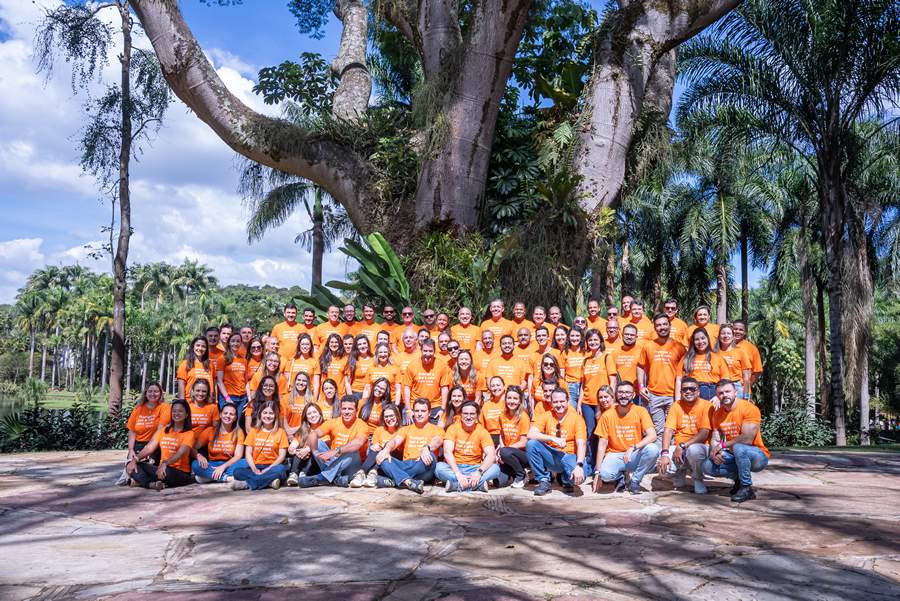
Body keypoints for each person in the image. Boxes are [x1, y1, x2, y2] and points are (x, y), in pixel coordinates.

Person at [704, 379, 770, 503]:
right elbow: (715, 437)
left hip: (757, 456)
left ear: (735, 392)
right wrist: (715, 452)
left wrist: (722, 445)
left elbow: (747, 438)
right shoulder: (717, 414)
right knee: (707, 466)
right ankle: (738, 479)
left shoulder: (749, 408)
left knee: (739, 447)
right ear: (717, 396)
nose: (724, 395)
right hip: (734, 455)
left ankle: (746, 487)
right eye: (721, 393)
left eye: (727, 391)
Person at [593, 381, 659, 494]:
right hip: (615, 455)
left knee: (653, 449)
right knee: (605, 475)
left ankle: (635, 480)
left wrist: (633, 447)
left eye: (627, 392)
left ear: (633, 395)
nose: (624, 395)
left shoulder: (640, 411)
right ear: (616, 395)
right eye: (621, 392)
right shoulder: (607, 415)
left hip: (633, 454)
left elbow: (652, 435)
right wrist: (597, 472)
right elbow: (602, 445)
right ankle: (621, 475)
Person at [526, 387, 587, 496]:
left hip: (570, 456)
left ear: (567, 401)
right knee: (531, 444)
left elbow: (581, 443)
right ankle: (544, 481)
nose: (559, 405)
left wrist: (580, 465)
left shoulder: (577, 418)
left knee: (580, 477)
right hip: (553, 456)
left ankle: (567, 479)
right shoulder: (546, 416)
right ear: (551, 402)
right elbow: (530, 434)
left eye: (562, 401)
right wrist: (552, 438)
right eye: (555, 402)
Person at [378, 398, 445, 493]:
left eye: (423, 411)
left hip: (423, 465)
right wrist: (386, 449)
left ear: (429, 413)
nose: (420, 414)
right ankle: (408, 481)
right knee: (382, 457)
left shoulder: (437, 429)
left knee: (431, 457)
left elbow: (437, 440)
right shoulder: (406, 429)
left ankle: (394, 478)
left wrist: (427, 448)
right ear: (413, 412)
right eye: (417, 411)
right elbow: (395, 441)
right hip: (406, 464)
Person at [300, 395, 370, 488]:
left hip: (351, 465)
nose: (346, 412)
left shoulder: (362, 425)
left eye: (350, 409)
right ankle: (336, 479)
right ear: (340, 409)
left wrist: (337, 450)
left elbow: (358, 443)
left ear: (356, 410)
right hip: (333, 462)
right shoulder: (334, 422)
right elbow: (313, 434)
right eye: (344, 409)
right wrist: (315, 452)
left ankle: (322, 478)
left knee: (351, 451)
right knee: (319, 443)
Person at [657, 377, 712, 494]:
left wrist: (683, 446)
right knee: (662, 467)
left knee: (694, 451)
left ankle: (698, 479)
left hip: (700, 447)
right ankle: (680, 472)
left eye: (692, 389)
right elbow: (668, 430)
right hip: (679, 448)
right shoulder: (676, 405)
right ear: (680, 392)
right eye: (684, 389)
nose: (688, 392)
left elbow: (704, 433)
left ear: (698, 391)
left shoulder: (707, 406)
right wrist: (665, 453)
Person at [126, 399, 195, 491]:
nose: (176, 413)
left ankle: (141, 482)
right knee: (131, 465)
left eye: (180, 411)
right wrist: (135, 459)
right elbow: (150, 448)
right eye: (174, 411)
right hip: (161, 469)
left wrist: (165, 463)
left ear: (186, 414)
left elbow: (180, 453)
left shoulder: (189, 433)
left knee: (166, 472)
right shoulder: (163, 430)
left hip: (179, 472)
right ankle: (151, 484)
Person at [637, 313, 687, 437]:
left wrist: (681, 395)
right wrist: (641, 386)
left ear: (670, 326)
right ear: (654, 328)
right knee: (658, 431)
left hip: (674, 396)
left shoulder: (679, 347)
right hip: (654, 396)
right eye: (658, 325)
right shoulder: (648, 346)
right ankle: (659, 455)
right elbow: (640, 366)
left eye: (665, 324)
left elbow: (685, 372)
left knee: (673, 430)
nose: (662, 327)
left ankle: (670, 455)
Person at [436, 401, 500, 492]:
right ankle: (477, 485)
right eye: (465, 413)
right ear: (460, 415)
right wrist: (458, 474)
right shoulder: (453, 428)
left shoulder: (482, 431)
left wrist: (478, 472)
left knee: (495, 469)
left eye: (472, 414)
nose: (469, 417)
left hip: (475, 467)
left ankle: (456, 485)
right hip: (455, 467)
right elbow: (447, 452)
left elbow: (491, 455)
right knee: (438, 467)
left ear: (477, 415)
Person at [119, 383, 170, 485]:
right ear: (145, 393)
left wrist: (149, 448)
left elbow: (160, 429)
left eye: (156, 391)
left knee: (151, 467)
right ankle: (149, 483)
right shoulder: (138, 409)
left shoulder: (165, 407)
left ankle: (138, 481)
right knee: (131, 465)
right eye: (150, 391)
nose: (153, 394)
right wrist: (131, 449)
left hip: (156, 444)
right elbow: (132, 431)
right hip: (139, 444)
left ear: (160, 394)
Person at [231, 400, 288, 490]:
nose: (268, 416)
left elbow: (282, 456)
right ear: (260, 414)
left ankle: (248, 484)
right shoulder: (254, 431)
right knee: (237, 472)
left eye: (271, 413)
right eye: (265, 413)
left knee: (281, 470)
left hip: (272, 466)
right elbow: (248, 453)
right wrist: (253, 468)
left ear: (275, 416)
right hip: (256, 466)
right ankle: (269, 482)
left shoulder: (281, 432)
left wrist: (268, 469)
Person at [579, 328, 614, 470]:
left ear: (600, 341)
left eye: (595, 339)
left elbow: (612, 381)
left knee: (604, 433)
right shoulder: (585, 360)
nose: (593, 342)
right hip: (587, 402)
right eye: (590, 340)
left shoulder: (607, 357)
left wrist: (611, 400)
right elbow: (583, 384)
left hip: (603, 402)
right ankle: (592, 463)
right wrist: (579, 404)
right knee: (590, 432)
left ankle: (605, 462)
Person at [192, 402, 247, 483]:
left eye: (231, 414)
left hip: (229, 465)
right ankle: (226, 478)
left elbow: (238, 456)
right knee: (195, 464)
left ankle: (210, 477)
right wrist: (198, 456)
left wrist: (223, 467)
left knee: (246, 462)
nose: (228, 416)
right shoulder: (210, 431)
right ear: (220, 415)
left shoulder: (238, 432)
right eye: (225, 413)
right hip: (212, 464)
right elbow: (193, 447)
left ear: (235, 417)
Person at [352, 402, 402, 488]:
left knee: (386, 446)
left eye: (391, 416)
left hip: (393, 461)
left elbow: (400, 450)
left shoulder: (402, 430)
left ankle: (372, 472)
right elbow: (374, 448)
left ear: (397, 416)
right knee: (376, 449)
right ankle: (362, 473)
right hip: (378, 461)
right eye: (386, 416)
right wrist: (378, 447)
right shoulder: (379, 430)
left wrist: (385, 448)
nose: (389, 419)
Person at [403, 338, 451, 423]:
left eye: (430, 351)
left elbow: (444, 388)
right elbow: (407, 388)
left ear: (434, 351)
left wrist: (443, 409)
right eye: (425, 351)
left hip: (435, 407)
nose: (427, 354)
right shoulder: (412, 365)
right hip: (416, 406)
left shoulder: (441, 365)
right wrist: (408, 409)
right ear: (420, 350)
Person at [496, 386, 531, 488]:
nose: (512, 401)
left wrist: (504, 450)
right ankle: (514, 472)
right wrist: (502, 449)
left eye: (515, 399)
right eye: (509, 398)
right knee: (499, 482)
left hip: (522, 455)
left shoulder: (523, 416)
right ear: (505, 399)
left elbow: (523, 442)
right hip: (507, 454)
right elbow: (501, 435)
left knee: (505, 452)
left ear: (520, 401)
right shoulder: (502, 415)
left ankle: (521, 474)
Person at [285, 403, 327, 486]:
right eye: (309, 414)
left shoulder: (325, 426)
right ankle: (294, 474)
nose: (312, 415)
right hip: (302, 460)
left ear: (319, 413)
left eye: (314, 412)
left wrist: (308, 449)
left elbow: (323, 444)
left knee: (312, 451)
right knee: (299, 450)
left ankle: (303, 473)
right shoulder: (304, 429)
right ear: (306, 417)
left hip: (318, 462)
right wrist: (294, 450)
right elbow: (293, 446)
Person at [684, 328, 727, 402]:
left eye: (703, 338)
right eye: (697, 339)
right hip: (694, 392)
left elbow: (725, 380)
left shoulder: (718, 357)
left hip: (715, 392)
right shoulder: (687, 358)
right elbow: (679, 379)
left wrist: (718, 396)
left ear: (707, 339)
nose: (700, 342)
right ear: (693, 342)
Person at [216, 333, 249, 414]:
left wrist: (249, 398)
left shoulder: (244, 360)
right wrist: (227, 398)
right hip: (228, 396)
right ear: (229, 343)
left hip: (242, 398)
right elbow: (219, 381)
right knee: (227, 422)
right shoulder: (222, 358)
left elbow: (246, 381)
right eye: (233, 341)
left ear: (241, 343)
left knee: (237, 424)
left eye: (238, 341)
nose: (235, 343)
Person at [716, 324, 751, 398]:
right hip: (719, 387)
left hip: (736, 387)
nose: (726, 336)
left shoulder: (740, 352)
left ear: (733, 337)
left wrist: (746, 395)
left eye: (728, 333)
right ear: (719, 337)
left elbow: (746, 377)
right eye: (723, 333)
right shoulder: (714, 353)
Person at [282, 334, 320, 401]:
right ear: (299, 346)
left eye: (307, 344)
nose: (305, 347)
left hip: (307, 396)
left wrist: (315, 400)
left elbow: (316, 384)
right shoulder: (291, 361)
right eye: (303, 344)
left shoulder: (315, 362)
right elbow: (286, 380)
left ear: (311, 346)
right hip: (292, 395)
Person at [176, 336, 215, 400]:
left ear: (206, 349)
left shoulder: (210, 365)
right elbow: (181, 385)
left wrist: (215, 400)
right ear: (193, 347)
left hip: (208, 402)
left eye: (203, 346)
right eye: (198, 345)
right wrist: (182, 402)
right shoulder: (185, 364)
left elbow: (214, 384)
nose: (200, 348)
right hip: (190, 402)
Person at [732, 320, 764, 389]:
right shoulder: (723, 346)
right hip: (724, 388)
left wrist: (747, 386)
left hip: (742, 388)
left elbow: (757, 371)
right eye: (735, 329)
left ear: (745, 332)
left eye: (741, 330)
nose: (737, 331)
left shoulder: (752, 348)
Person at [282, 371, 313, 438]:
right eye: (299, 380)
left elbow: (311, 422)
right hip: (287, 434)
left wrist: (298, 430)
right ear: (295, 381)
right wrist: (289, 434)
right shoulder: (286, 398)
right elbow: (283, 418)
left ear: (307, 383)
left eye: (304, 381)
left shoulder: (312, 400)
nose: (301, 383)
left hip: (304, 435)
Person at [610, 324, 643, 388]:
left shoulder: (642, 351)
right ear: (622, 335)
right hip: (620, 392)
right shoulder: (614, 353)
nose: (629, 337)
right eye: (626, 334)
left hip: (638, 392)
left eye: (632, 335)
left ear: (636, 336)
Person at [564, 327, 588, 405]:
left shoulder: (587, 352)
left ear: (581, 338)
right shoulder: (565, 352)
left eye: (577, 336)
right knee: (572, 411)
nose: (574, 338)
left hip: (585, 386)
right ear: (568, 337)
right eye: (572, 336)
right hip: (570, 386)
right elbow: (561, 374)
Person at [347, 334, 375, 400]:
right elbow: (348, 382)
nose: (362, 346)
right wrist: (351, 397)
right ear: (356, 346)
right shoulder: (353, 359)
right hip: (356, 393)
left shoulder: (374, 358)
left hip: (371, 393)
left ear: (368, 344)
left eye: (364, 343)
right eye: (359, 344)